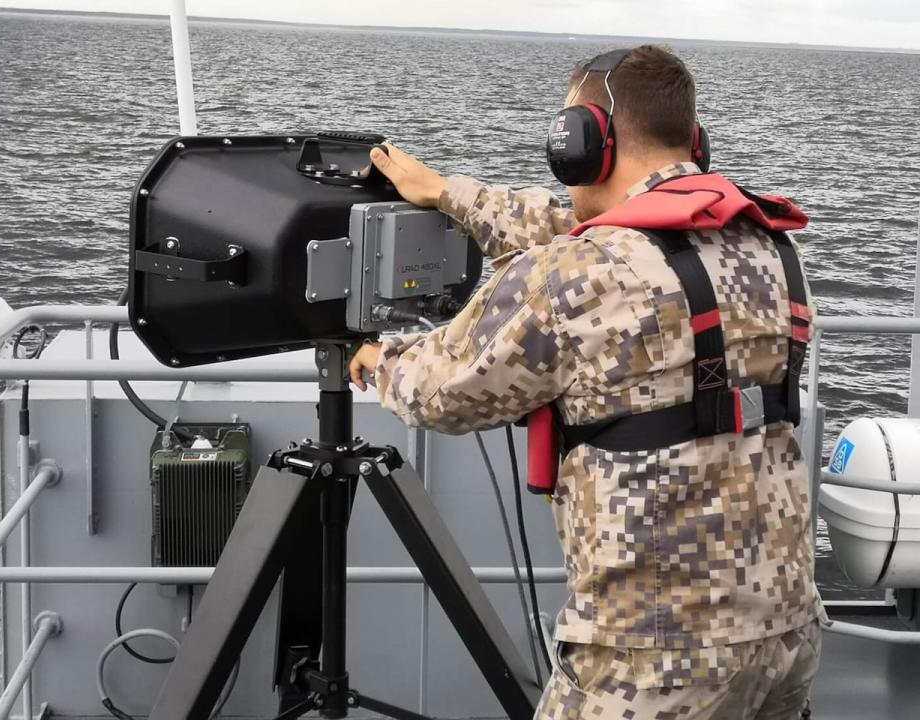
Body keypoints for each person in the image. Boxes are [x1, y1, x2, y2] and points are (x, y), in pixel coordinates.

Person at [349, 45, 825, 720]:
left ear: (583, 145)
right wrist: (449, 194)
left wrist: (378, 360)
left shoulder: (574, 274)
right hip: (786, 628)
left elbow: (439, 391)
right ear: (693, 143)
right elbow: (599, 234)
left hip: (655, 654)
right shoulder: (771, 246)